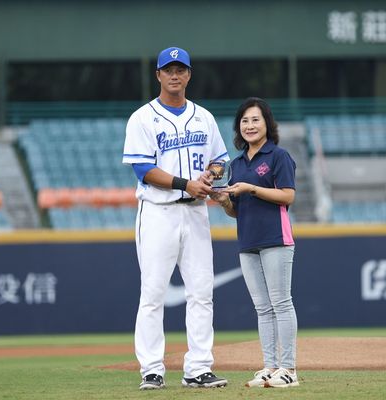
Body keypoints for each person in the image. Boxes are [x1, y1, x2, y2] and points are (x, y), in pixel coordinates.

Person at [122, 46, 229, 390]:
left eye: (180, 69)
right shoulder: (142, 118)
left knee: (202, 292)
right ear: (158, 75)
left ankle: (198, 368)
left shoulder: (204, 117)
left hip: (195, 212)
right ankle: (151, 369)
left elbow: (220, 160)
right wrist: (186, 183)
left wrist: (210, 175)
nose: (174, 75)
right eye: (168, 69)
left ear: (189, 75)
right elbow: (143, 170)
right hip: (158, 212)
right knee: (153, 293)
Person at [211, 97, 299, 388]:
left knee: (281, 303)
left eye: (255, 119)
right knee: (263, 308)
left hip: (276, 238)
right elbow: (236, 211)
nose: (249, 125)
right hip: (248, 241)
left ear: (267, 124)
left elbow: (287, 196)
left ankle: (289, 369)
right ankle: (270, 366)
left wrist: (252, 188)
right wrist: (224, 202)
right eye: (244, 121)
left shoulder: (278, 156)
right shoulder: (235, 165)